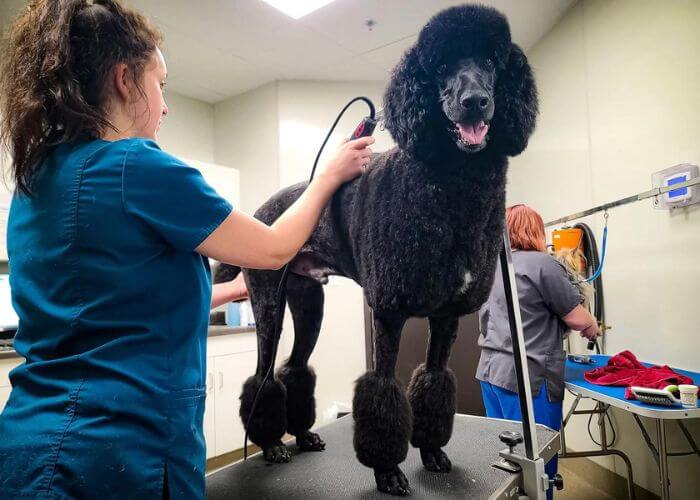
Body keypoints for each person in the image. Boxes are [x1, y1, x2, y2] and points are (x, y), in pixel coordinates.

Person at [0, 1, 373, 498]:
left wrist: (235, 289)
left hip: (30, 452)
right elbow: (277, 248)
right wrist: (328, 176)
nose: (166, 104)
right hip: (116, 457)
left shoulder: (33, 185)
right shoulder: (136, 165)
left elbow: (112, 310)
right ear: (124, 80)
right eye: (161, 84)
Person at [476, 204, 602, 498]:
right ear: (535, 230)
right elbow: (577, 317)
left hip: (490, 374)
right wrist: (592, 326)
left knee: (507, 459)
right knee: (538, 463)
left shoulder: (490, 267)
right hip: (528, 379)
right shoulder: (542, 265)